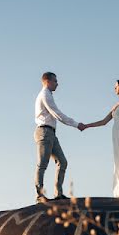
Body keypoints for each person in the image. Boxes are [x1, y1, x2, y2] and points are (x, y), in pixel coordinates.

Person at [34, 72, 85, 203]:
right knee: (42, 164)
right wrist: (76, 124)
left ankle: (58, 194)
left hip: (51, 133)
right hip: (44, 132)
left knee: (62, 162)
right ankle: (40, 195)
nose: (57, 83)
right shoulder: (45, 95)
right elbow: (57, 114)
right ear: (47, 81)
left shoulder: (48, 95)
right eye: (55, 81)